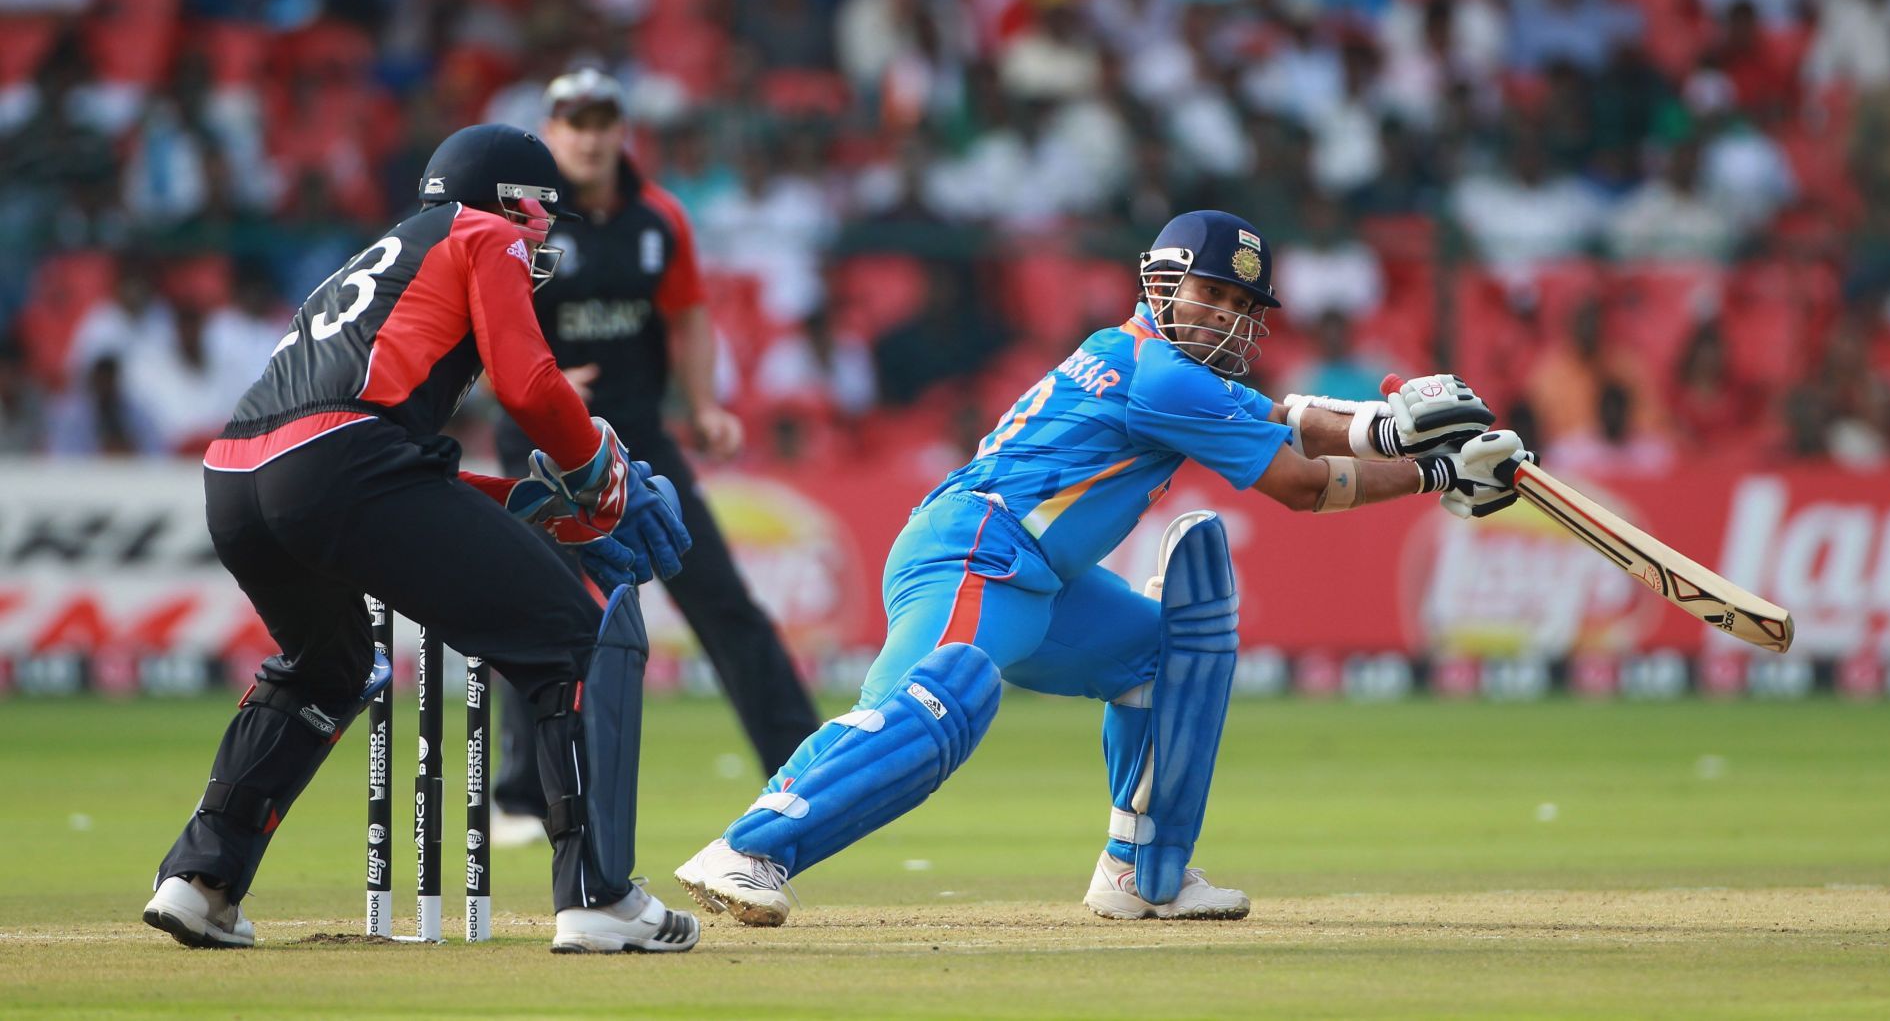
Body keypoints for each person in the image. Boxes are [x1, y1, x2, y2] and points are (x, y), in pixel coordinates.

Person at [674, 210, 1531, 925]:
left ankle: (1140, 874)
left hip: (1039, 578)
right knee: (940, 697)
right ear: (1162, 283)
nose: (1227, 317)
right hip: (976, 548)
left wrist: (1404, 432)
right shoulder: (1165, 376)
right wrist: (1433, 467)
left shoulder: (1155, 360)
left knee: (1167, 650)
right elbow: (1302, 484)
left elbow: (1283, 416)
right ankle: (749, 847)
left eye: (1242, 302)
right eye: (1212, 294)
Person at [142, 124, 700, 955]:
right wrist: (598, 476)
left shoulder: (381, 257)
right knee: (572, 639)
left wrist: (525, 499)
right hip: (339, 465)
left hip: (239, 475)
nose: (545, 234)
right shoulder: (486, 233)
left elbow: (376, 461)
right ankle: (599, 897)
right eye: (542, 213)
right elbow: (530, 385)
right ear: (515, 201)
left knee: (325, 668)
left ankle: (201, 880)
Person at [487, 69, 818, 840]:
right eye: (575, 120)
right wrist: (538, 380)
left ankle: (805, 762)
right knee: (531, 606)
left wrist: (703, 405)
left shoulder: (658, 217)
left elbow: (689, 315)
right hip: (540, 441)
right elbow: (485, 313)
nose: (591, 136)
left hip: (637, 442)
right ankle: (518, 792)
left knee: (721, 599)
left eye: (603, 120)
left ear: (622, 129)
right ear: (551, 127)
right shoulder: (521, 217)